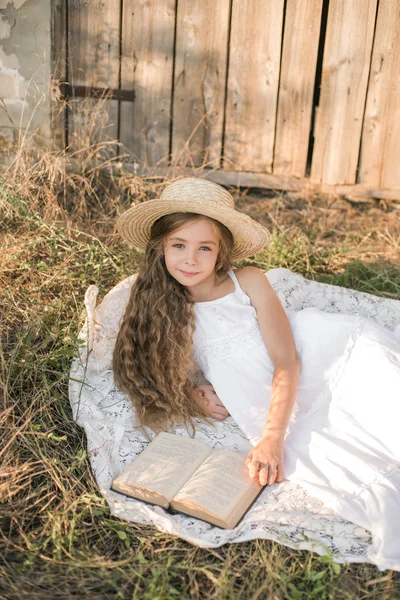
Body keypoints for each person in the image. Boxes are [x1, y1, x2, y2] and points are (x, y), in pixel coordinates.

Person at [112, 177, 400, 570]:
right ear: (160, 247)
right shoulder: (161, 306)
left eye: (204, 248)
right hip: (254, 392)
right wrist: (195, 391)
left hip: (320, 353)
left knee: (381, 405)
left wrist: (270, 439)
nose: (190, 260)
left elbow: (287, 361)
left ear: (221, 252)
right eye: (178, 245)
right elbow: (155, 367)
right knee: (336, 457)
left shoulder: (248, 280)